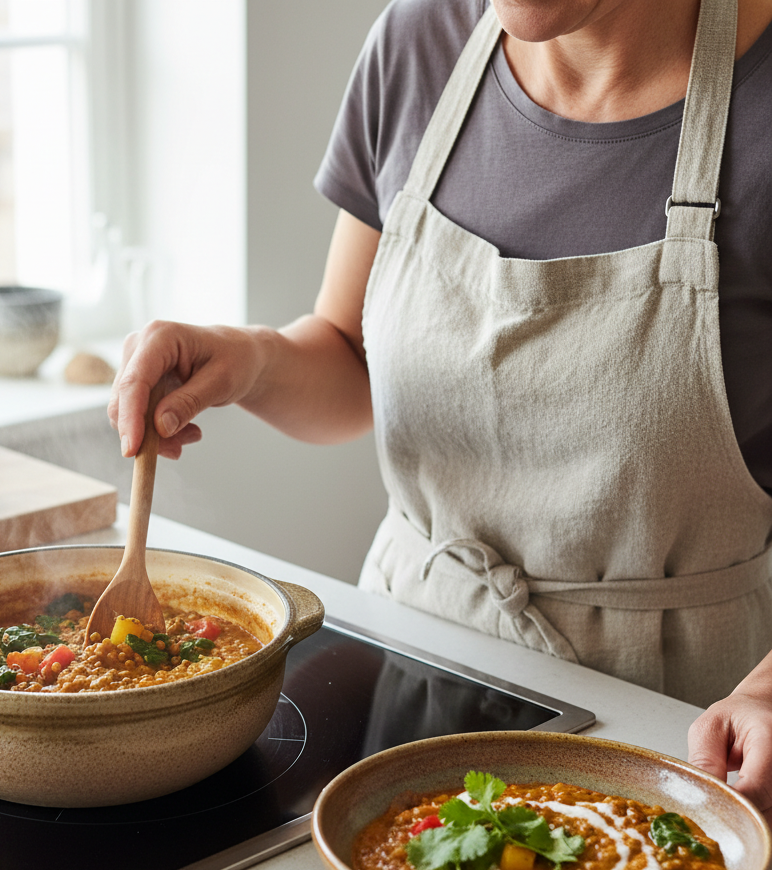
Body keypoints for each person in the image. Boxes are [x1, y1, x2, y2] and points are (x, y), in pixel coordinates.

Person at [109, 0, 772, 819]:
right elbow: (351, 360)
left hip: (670, 736)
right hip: (410, 681)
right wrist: (249, 361)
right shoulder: (420, 42)